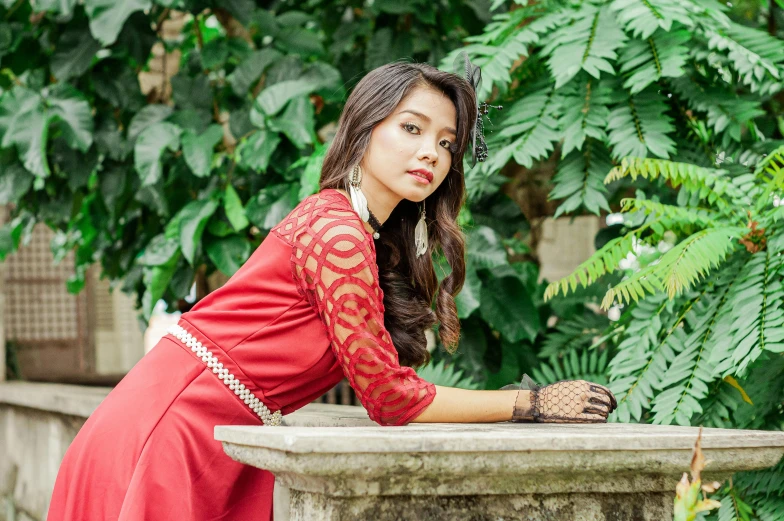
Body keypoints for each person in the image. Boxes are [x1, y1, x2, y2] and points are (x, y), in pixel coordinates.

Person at [47, 56, 617, 521]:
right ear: (364, 130)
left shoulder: (359, 234)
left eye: (446, 143)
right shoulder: (339, 232)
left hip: (214, 433)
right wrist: (531, 403)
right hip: (172, 430)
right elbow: (389, 398)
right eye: (411, 128)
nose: (431, 153)